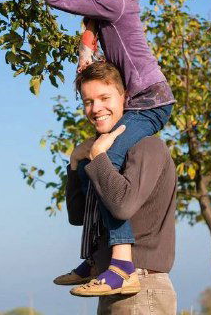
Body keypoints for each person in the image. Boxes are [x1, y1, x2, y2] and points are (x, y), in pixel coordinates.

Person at [6, 0, 175, 294]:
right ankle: (98, 257)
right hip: (137, 101)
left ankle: (121, 266)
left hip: (151, 101)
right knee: (87, 165)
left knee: (107, 162)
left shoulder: (117, 5)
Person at [66, 61, 177, 312]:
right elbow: (77, 216)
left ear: (125, 97)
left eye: (104, 97)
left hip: (142, 286)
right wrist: (75, 164)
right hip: (110, 284)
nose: (96, 108)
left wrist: (99, 158)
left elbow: (122, 206)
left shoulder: (147, 147)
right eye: (88, 101)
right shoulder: (103, 155)